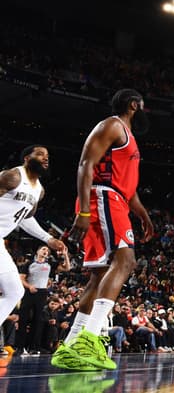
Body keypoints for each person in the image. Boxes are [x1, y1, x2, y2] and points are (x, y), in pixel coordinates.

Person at [52, 89, 155, 371]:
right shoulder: (113, 125)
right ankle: (91, 338)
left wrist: (145, 217)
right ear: (134, 105)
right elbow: (86, 164)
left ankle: (71, 345)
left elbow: (130, 191)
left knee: (99, 276)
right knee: (126, 261)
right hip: (103, 198)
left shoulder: (129, 139)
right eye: (144, 105)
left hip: (117, 200)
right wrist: (84, 210)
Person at [0, 146, 67, 352]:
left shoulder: (39, 190)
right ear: (27, 158)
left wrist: (48, 239)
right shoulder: (12, 176)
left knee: (14, 290)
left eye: (47, 156)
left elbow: (26, 219)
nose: (45, 158)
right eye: (40, 154)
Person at [18, 244, 71, 355]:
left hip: (42, 293)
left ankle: (33, 348)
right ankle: (20, 347)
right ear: (38, 251)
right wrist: (29, 286)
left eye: (47, 250)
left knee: (37, 321)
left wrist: (65, 255)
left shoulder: (50, 264)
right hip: (29, 292)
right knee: (23, 319)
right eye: (43, 249)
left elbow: (67, 268)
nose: (46, 251)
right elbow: (21, 278)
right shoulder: (29, 263)